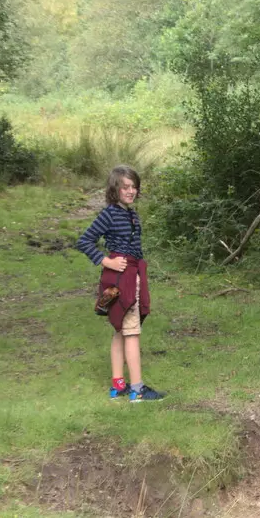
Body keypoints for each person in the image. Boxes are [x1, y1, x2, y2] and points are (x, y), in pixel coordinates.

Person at [77, 165, 164, 402]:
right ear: (115, 189)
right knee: (131, 331)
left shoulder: (132, 214)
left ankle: (118, 386)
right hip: (120, 279)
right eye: (125, 187)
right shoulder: (110, 214)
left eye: (134, 187)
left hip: (132, 274)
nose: (131, 191)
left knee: (120, 330)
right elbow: (84, 241)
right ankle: (137, 389)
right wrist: (108, 261)